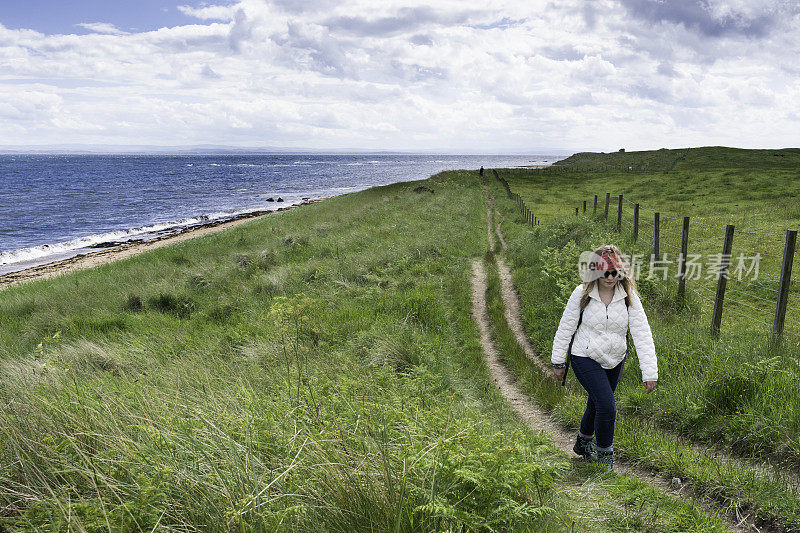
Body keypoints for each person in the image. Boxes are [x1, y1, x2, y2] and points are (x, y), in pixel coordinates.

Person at [551, 244, 657, 469]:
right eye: (605, 272)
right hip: (584, 355)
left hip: (615, 359)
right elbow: (566, 328)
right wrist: (559, 362)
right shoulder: (581, 294)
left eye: (616, 272)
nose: (610, 277)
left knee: (597, 401)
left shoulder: (629, 298)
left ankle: (583, 443)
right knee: (607, 406)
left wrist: (649, 372)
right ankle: (605, 458)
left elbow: (642, 334)